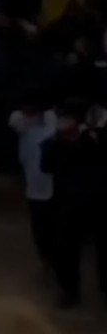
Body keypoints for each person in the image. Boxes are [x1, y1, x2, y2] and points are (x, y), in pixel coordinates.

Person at [40, 99, 106, 308]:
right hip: (67, 203)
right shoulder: (53, 143)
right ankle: (70, 291)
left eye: (67, 117)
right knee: (66, 249)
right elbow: (46, 167)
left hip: (99, 202)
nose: (62, 121)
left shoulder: (96, 140)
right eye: (61, 117)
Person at [9, 92, 57, 268]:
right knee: (39, 228)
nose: (28, 113)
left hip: (55, 186)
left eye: (32, 109)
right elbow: (18, 122)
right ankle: (45, 257)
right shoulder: (19, 120)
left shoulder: (53, 121)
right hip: (34, 187)